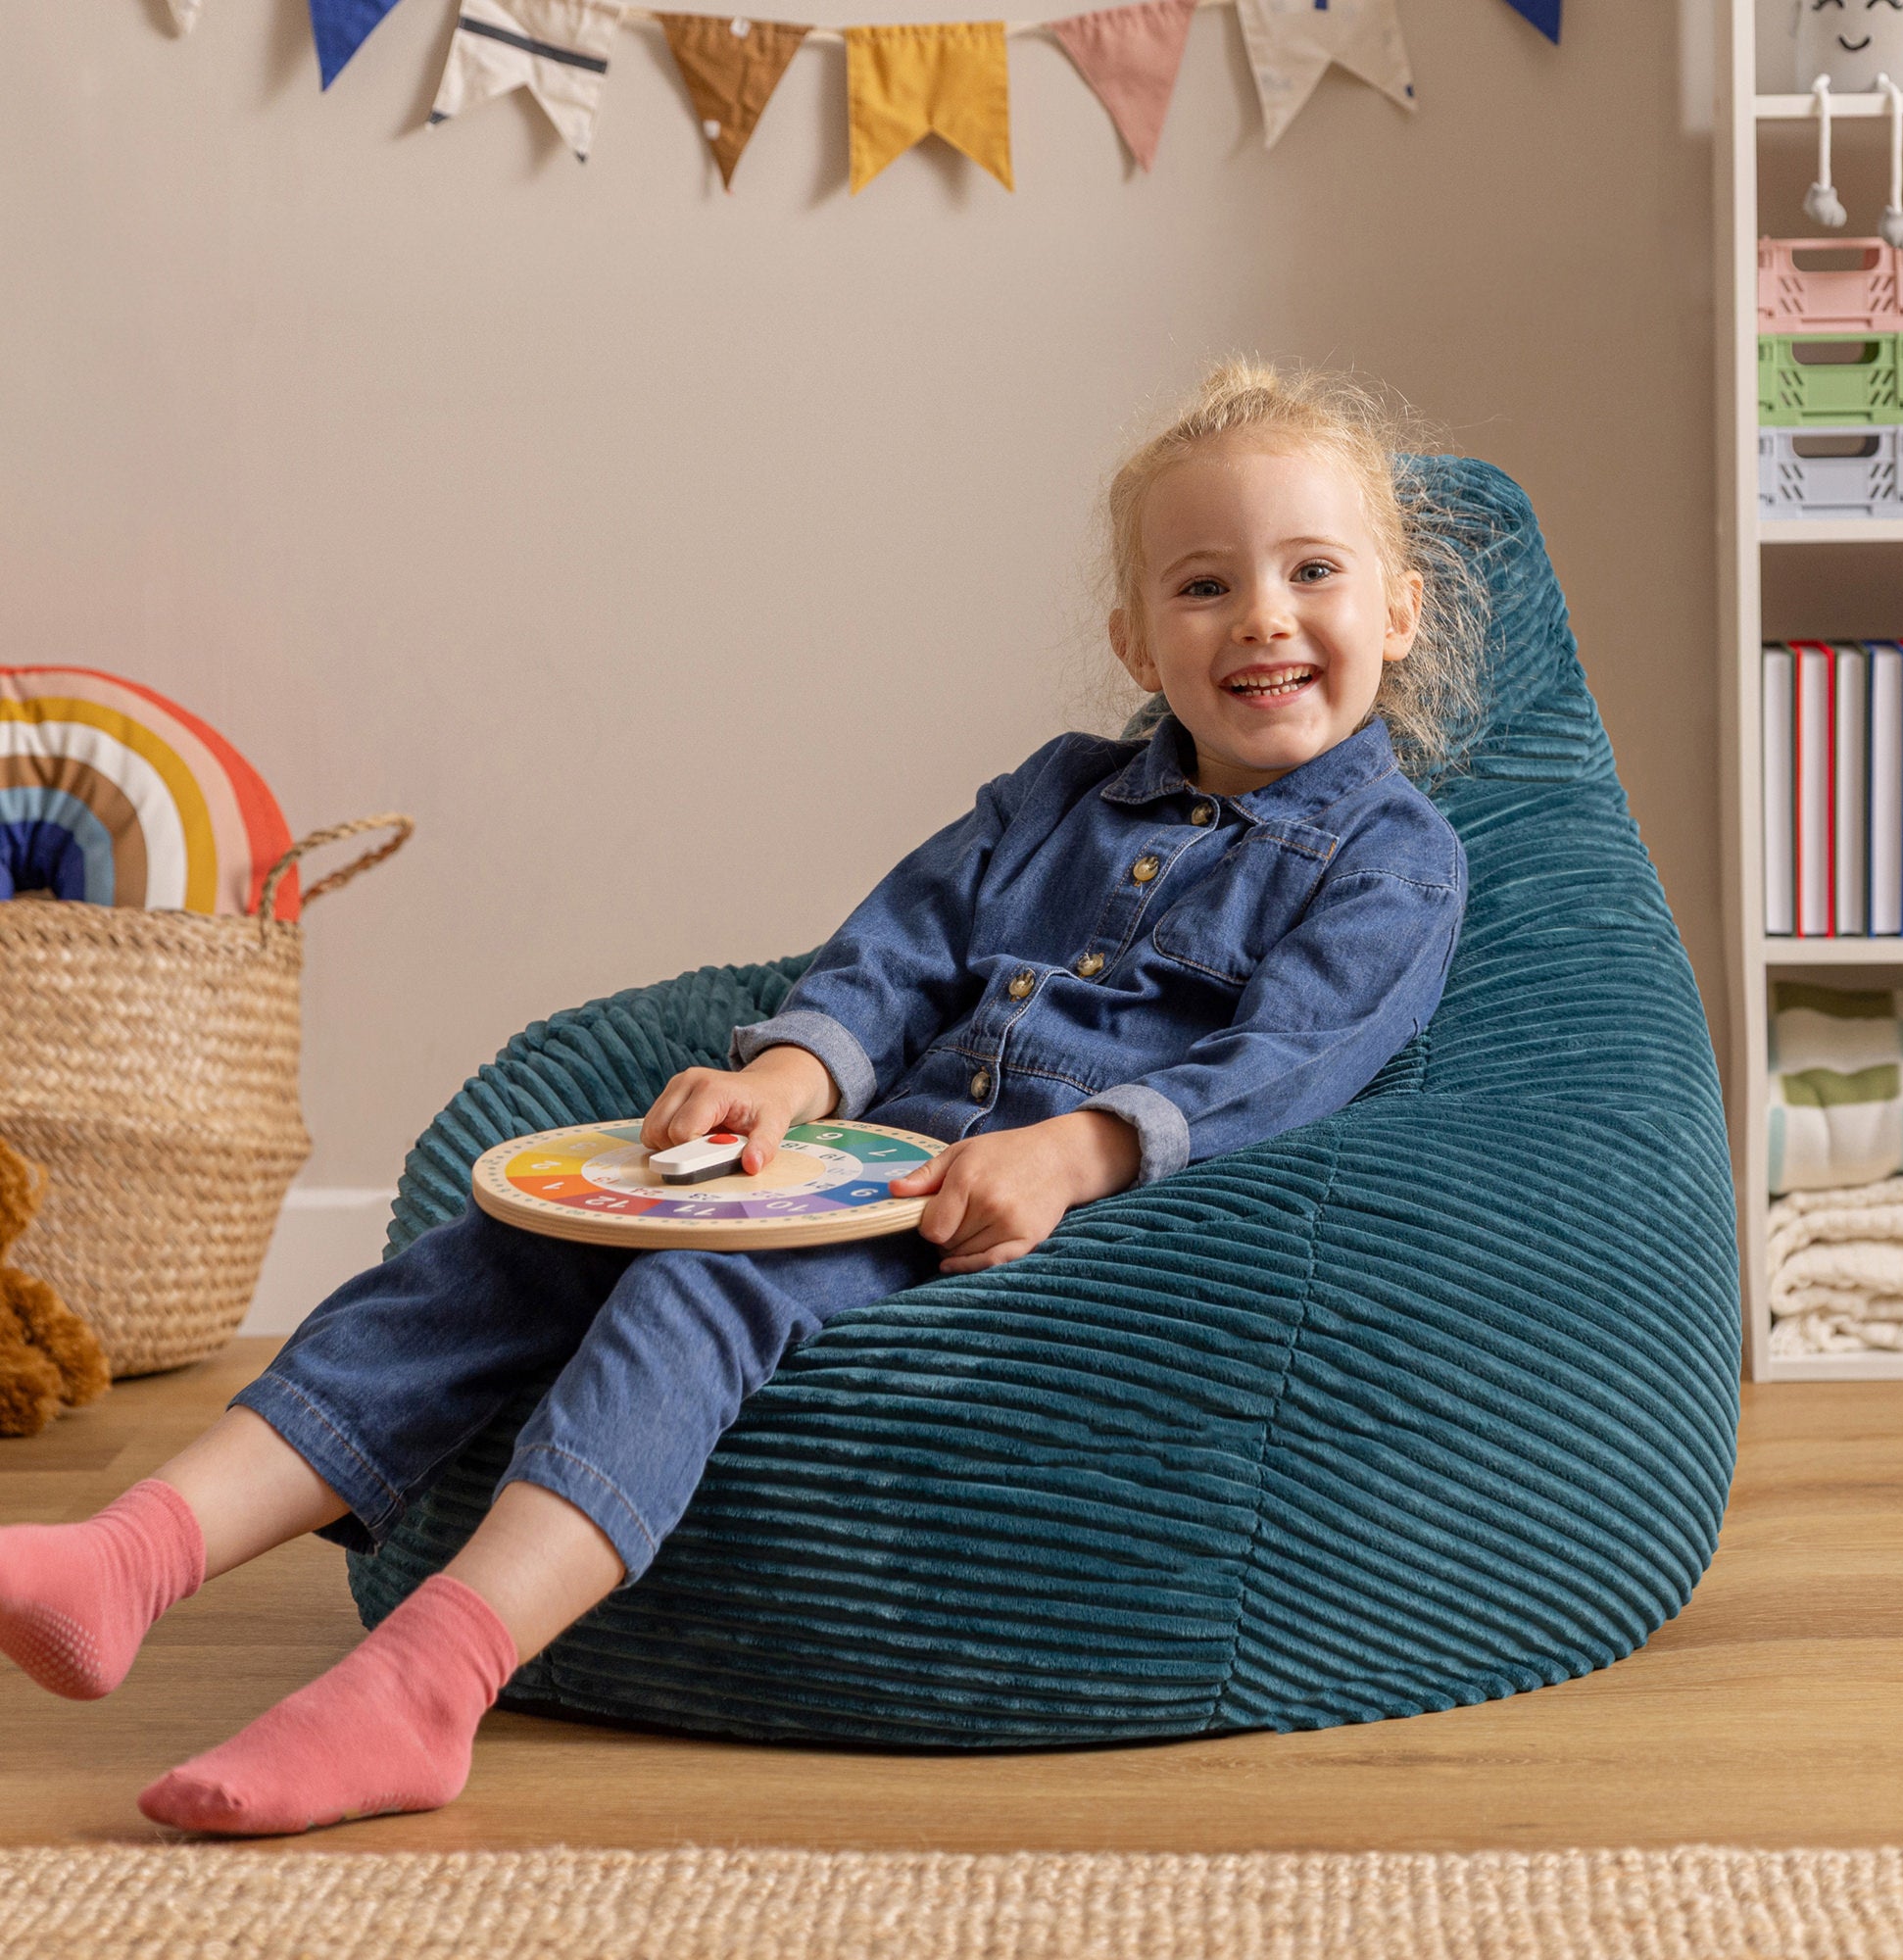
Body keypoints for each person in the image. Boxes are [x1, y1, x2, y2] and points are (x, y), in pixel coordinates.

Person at [0, 359, 1481, 1836]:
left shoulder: (1395, 860)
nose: (1264, 616)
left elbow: (1289, 1062)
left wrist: (1072, 1155)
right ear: (1137, 641)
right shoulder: (1056, 794)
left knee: (697, 1286)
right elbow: (898, 951)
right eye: (1206, 585)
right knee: (519, 1243)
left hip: (1043, 1225)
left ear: (1401, 612)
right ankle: (134, 1555)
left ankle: (429, 1686)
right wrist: (784, 1078)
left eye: (1313, 572)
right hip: (867, 1161)